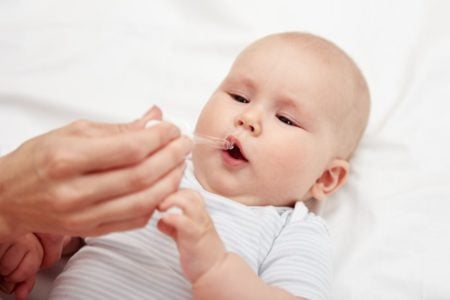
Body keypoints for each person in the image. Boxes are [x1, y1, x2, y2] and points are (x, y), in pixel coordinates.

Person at [49, 31, 368, 299]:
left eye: (285, 118)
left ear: (326, 178)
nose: (248, 118)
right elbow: (79, 228)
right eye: (240, 97)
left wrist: (215, 267)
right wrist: (45, 239)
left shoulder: (293, 230)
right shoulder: (158, 165)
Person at [0, 106, 192, 298]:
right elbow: (91, 231)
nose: (224, 123)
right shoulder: (171, 166)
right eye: (224, 94)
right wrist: (52, 233)